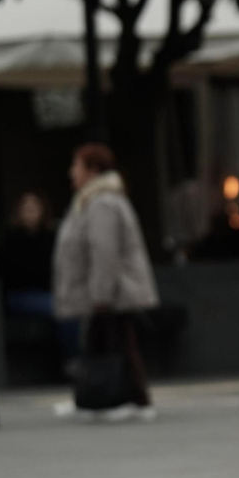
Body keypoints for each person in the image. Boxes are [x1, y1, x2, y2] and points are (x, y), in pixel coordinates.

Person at [53, 143, 160, 419]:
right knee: (105, 344)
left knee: (116, 345)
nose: (71, 173)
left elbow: (105, 251)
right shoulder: (92, 200)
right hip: (108, 291)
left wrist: (101, 293)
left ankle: (125, 399)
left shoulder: (103, 203)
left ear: (93, 170)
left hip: (112, 291)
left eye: (76, 166)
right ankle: (99, 398)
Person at [0, 192, 80, 362]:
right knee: (59, 307)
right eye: (26, 209)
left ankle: (75, 358)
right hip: (20, 295)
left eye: (34, 208)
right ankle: (71, 360)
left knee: (71, 305)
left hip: (48, 293)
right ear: (18, 212)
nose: (30, 213)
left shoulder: (50, 238)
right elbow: (10, 273)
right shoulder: (11, 240)